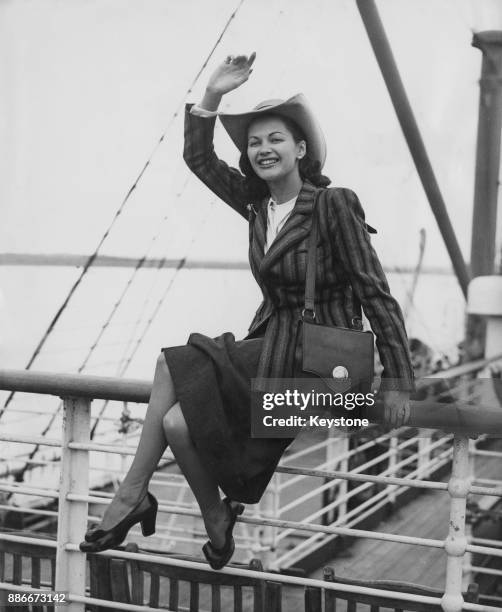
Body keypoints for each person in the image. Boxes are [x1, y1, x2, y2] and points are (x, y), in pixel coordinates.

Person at [80, 53, 415, 569]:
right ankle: (215, 517)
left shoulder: (334, 204)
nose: (263, 149)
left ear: (301, 149)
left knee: (172, 363)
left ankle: (131, 494)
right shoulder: (258, 207)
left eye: (275, 139)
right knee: (175, 425)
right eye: (255, 142)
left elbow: (376, 292)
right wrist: (211, 95)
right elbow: (200, 161)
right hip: (275, 351)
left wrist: (399, 380)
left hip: (321, 370)